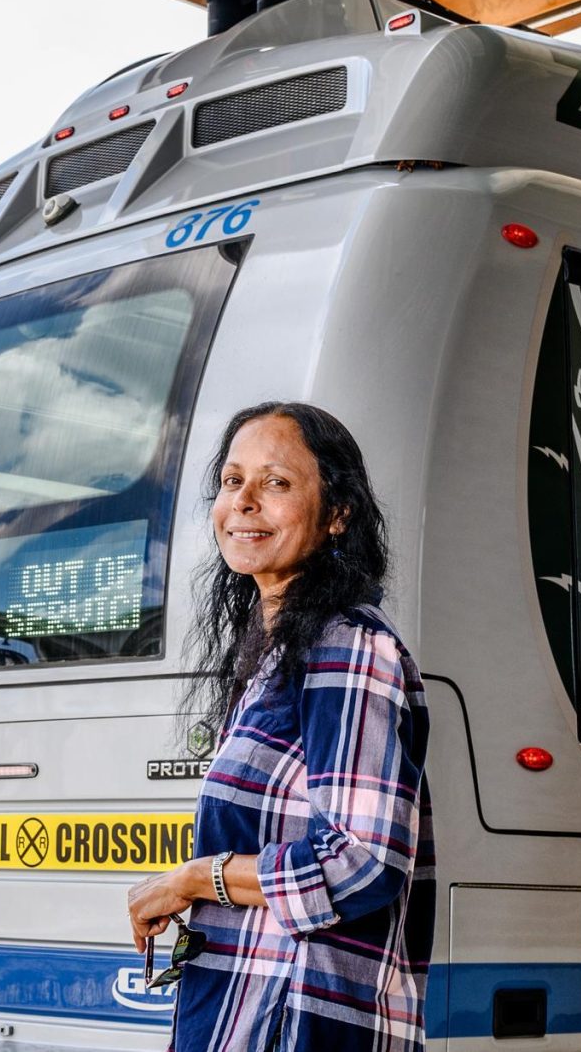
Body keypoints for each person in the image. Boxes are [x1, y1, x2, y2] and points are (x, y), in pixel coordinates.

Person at [126, 402, 434, 1052]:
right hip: (249, 1014)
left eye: (276, 482)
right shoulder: (277, 653)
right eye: (233, 480)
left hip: (297, 1022)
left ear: (337, 513)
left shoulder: (347, 646)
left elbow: (361, 861)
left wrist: (196, 879)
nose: (244, 501)